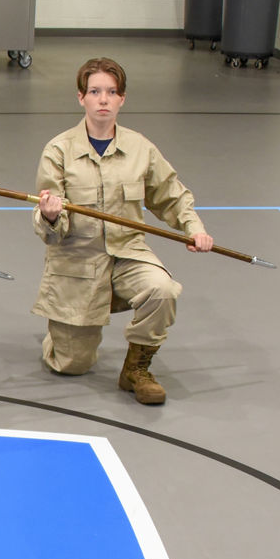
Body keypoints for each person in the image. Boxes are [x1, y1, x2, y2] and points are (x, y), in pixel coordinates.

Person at [34, 58, 215, 406]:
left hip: (127, 254)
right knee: (71, 365)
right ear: (81, 98)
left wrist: (195, 228)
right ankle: (60, 332)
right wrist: (51, 216)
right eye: (95, 91)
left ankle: (136, 369)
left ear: (122, 99)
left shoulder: (140, 148)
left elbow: (171, 195)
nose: (103, 99)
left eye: (111, 92)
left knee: (163, 290)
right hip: (78, 264)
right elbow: (50, 232)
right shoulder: (58, 151)